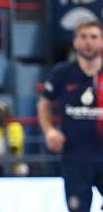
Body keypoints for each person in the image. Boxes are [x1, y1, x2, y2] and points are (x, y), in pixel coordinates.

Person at [38, 19, 103, 212]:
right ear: (75, 42)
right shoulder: (62, 73)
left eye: (94, 37)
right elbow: (43, 103)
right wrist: (49, 131)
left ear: (101, 41)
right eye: (83, 37)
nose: (88, 42)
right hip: (75, 158)